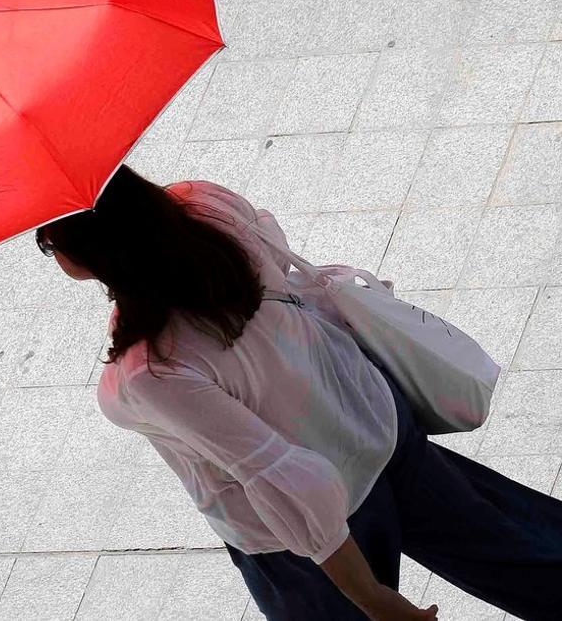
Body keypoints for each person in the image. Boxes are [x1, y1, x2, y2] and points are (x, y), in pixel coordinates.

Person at [35, 163, 562, 620]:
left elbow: (284, 477)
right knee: (512, 548)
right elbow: (274, 258)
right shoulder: (205, 205)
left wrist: (373, 600)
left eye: (48, 242)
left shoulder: (151, 368)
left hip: (310, 541)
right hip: (371, 421)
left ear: (92, 254)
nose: (51, 253)